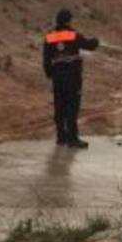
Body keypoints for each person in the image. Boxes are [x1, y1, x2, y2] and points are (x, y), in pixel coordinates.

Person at [43, 9, 99, 149]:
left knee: (59, 107)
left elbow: (46, 60)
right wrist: (96, 40)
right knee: (72, 108)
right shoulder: (73, 35)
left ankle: (61, 138)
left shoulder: (49, 37)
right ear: (68, 21)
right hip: (72, 77)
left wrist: (51, 75)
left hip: (58, 78)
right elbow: (90, 46)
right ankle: (72, 139)